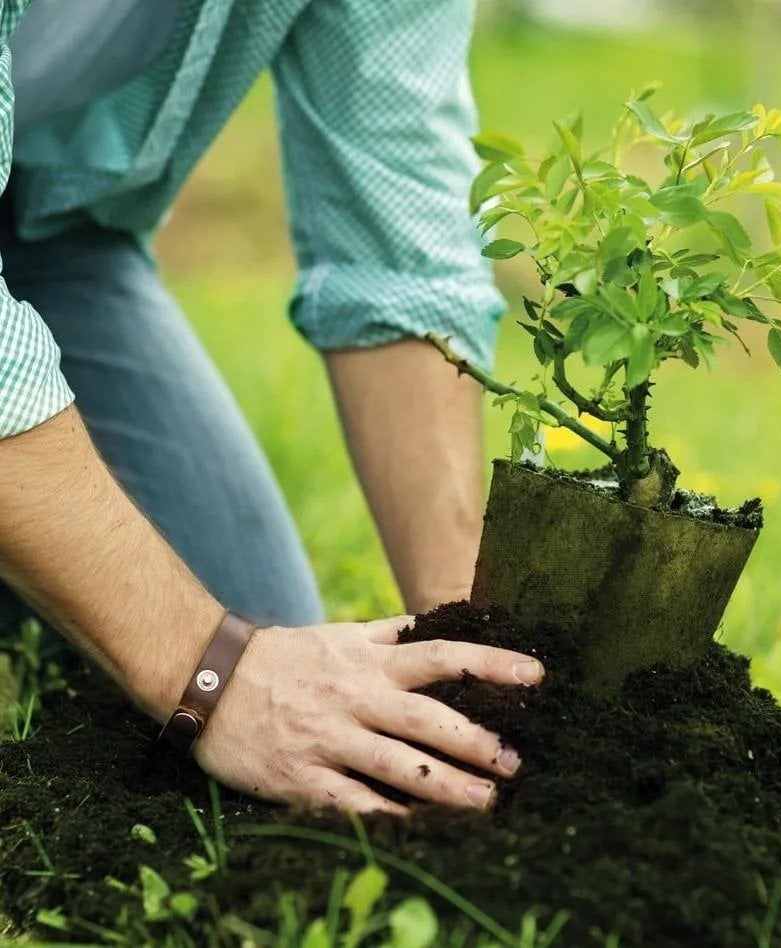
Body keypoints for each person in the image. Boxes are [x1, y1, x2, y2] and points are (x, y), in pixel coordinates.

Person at [0, 0, 544, 815]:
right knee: (214, 666)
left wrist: (474, 665)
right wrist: (210, 671)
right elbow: (212, 675)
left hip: (50, 233)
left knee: (274, 655)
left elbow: (397, 236)